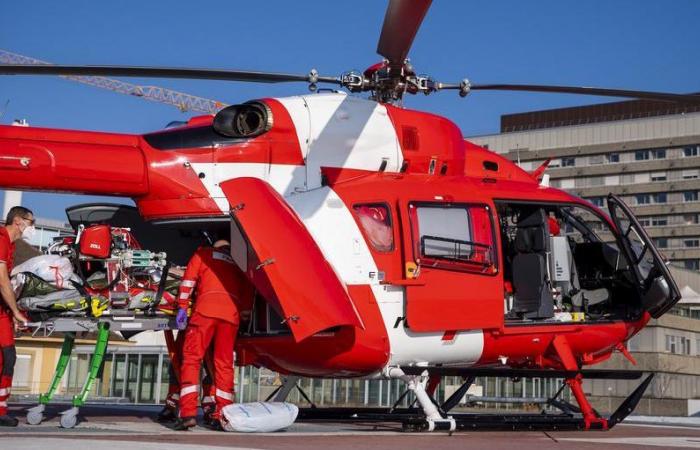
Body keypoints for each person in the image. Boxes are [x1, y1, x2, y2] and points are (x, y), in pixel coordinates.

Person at [174, 238, 251, 431]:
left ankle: (188, 413)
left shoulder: (203, 254)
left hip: (205, 313)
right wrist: (243, 312)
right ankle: (223, 414)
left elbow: (188, 281)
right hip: (230, 317)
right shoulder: (238, 264)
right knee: (224, 364)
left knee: (192, 359)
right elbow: (249, 292)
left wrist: (182, 307)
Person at [0, 207, 32, 427]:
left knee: (7, 358)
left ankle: (1, 408)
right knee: (5, 358)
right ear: (18, 221)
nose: (33, 227)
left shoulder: (10, 246)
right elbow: (2, 280)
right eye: (31, 222)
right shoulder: (1, 239)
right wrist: (17, 313)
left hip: (2, 312)